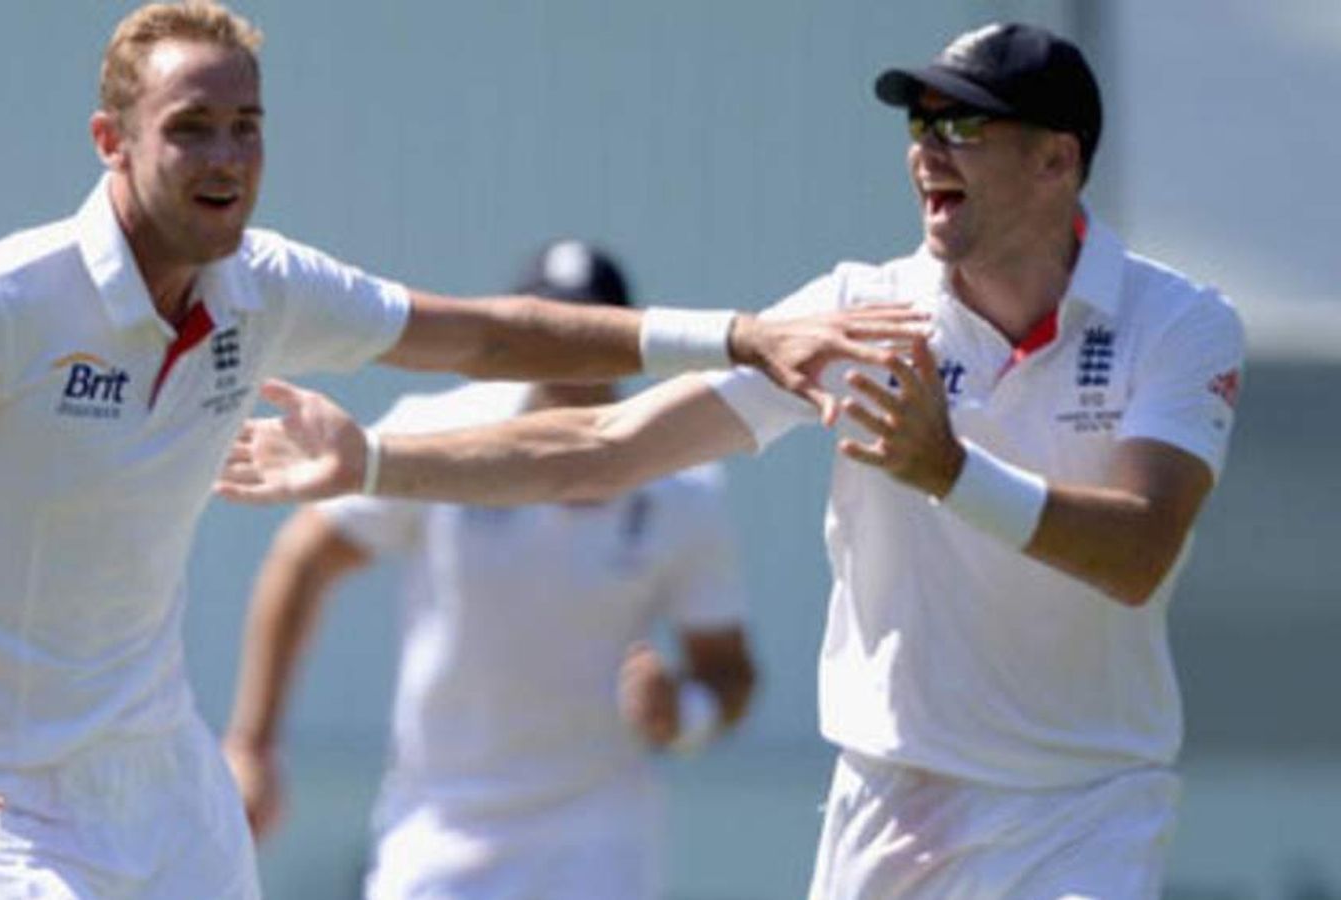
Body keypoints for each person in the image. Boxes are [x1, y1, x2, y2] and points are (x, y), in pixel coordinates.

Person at [0, 2, 922, 897]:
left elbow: (485, 334)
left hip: (170, 790)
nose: (225, 158)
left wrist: (739, 335)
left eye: (245, 128)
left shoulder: (265, 287)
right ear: (111, 141)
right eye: (189, 130)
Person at [215, 22, 1247, 899]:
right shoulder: (859, 311)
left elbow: (1138, 552)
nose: (930, 150)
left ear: (1057, 161)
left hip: (1084, 800)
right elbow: (609, 446)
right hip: (891, 796)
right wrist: (371, 460)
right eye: (921, 125)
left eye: (964, 126)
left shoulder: (1178, 323)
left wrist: (947, 471)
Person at [220, 240, 758, 899]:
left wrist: (685, 712)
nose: (569, 356)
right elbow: (304, 558)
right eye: (551, 332)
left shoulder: (684, 488)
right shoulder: (445, 432)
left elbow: (729, 672)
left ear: (624, 342)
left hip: (598, 841)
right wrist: (253, 744)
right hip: (440, 826)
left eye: (589, 333)